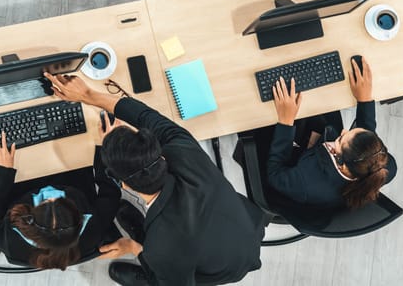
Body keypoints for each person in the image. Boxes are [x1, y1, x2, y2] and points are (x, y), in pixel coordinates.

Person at [44, 72, 266, 286]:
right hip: (244, 226)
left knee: (158, 270)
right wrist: (88, 94)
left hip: (217, 268)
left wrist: (133, 247)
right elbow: (146, 117)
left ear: (125, 185)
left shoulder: (162, 244)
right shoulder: (186, 152)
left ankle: (144, 266)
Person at [0, 129, 121, 270]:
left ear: (30, 222)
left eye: (45, 202)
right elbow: (111, 193)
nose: (51, 195)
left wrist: (3, 172)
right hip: (70, 176)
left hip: (21, 186)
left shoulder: (10, 242)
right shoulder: (94, 229)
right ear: (79, 218)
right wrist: (105, 147)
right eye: (58, 200)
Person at [264, 56, 397, 209]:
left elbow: (274, 175)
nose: (343, 131)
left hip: (296, 160)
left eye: (340, 139)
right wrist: (364, 100)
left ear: (342, 164)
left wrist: (285, 122)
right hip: (321, 145)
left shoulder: (304, 182)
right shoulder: (384, 167)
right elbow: (366, 143)